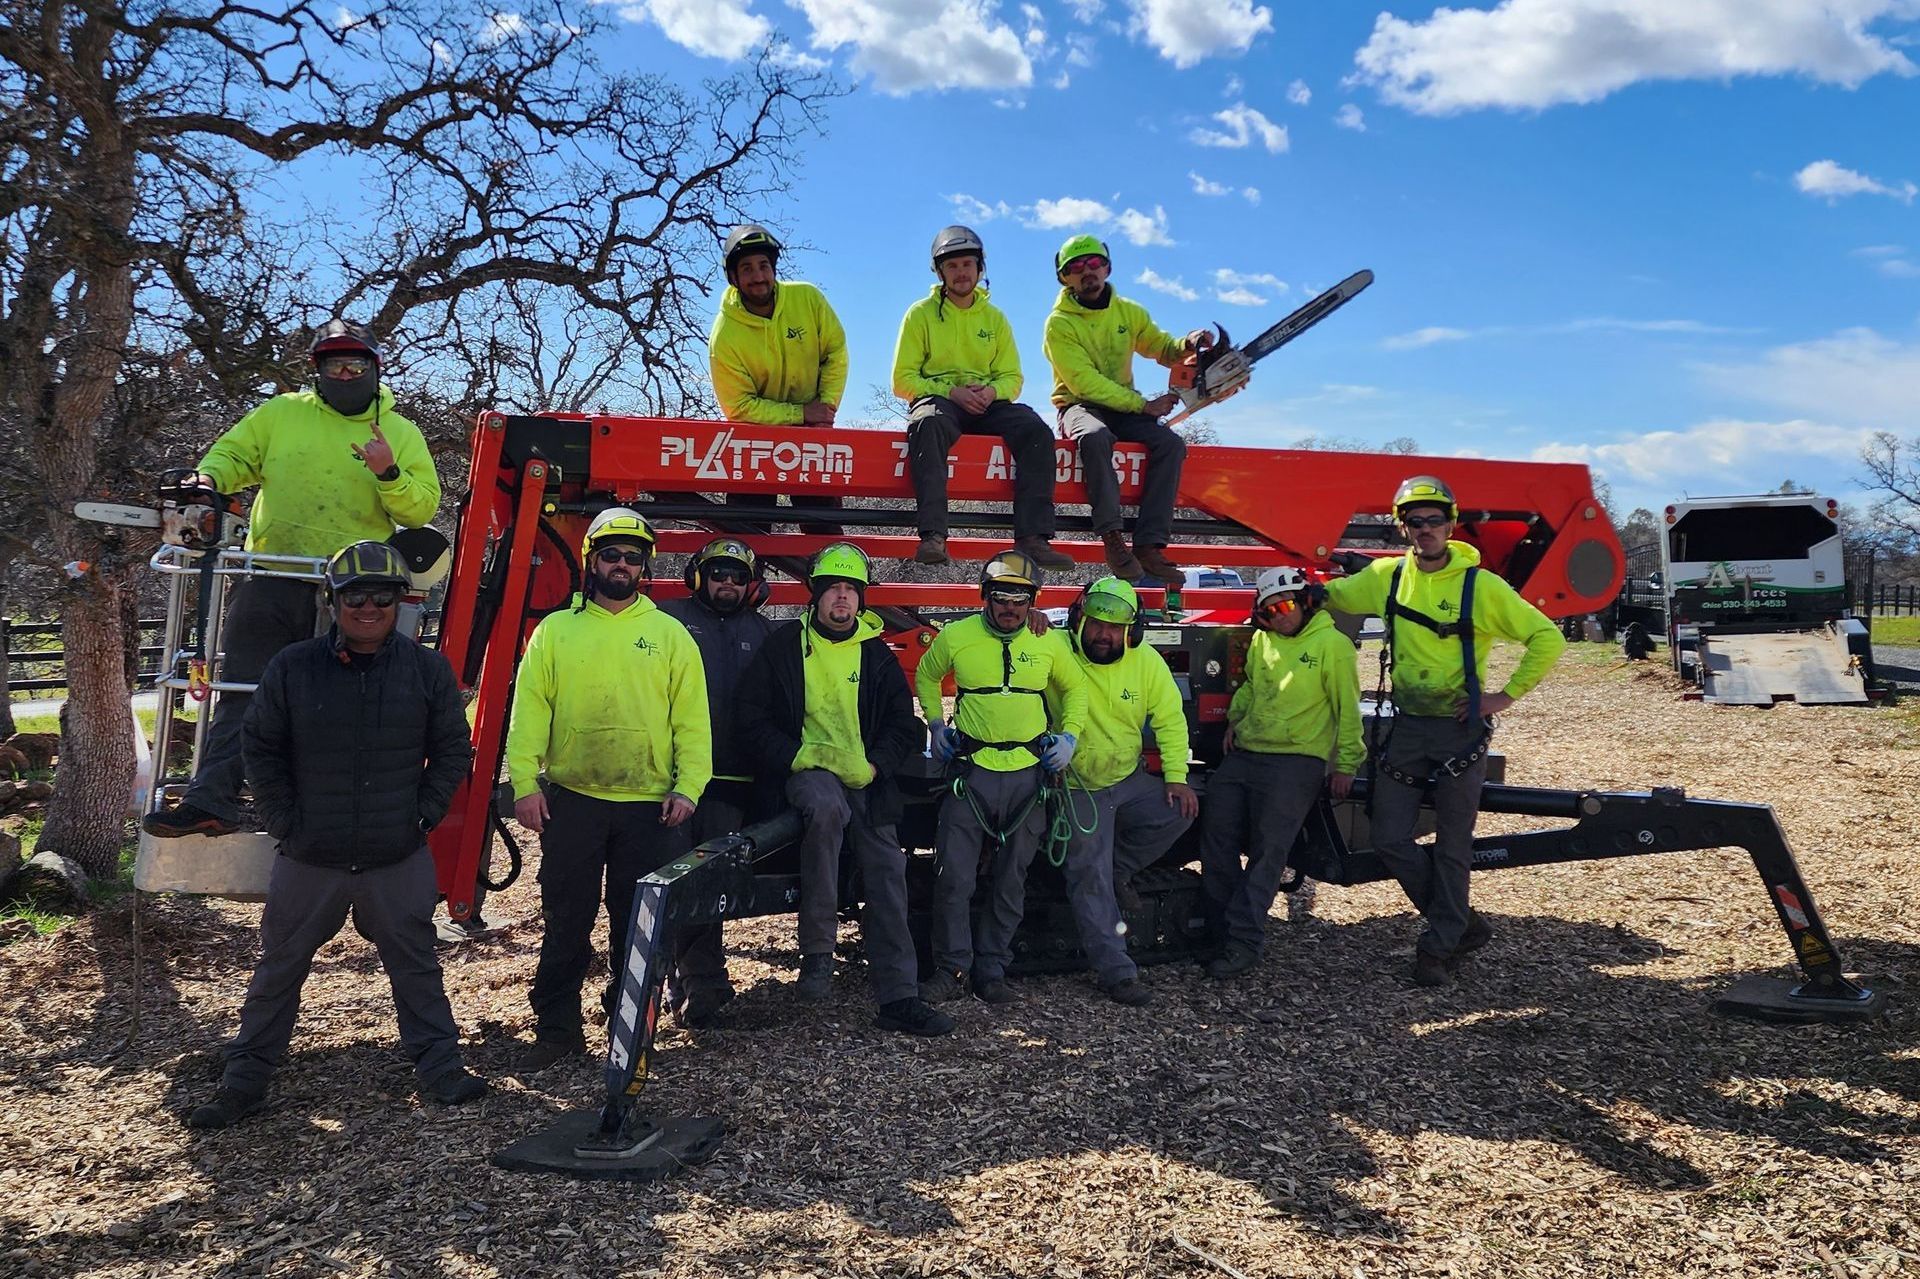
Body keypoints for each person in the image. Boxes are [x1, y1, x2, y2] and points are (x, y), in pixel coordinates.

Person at [186, 541, 482, 1128]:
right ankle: (245, 1080)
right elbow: (260, 747)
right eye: (354, 596)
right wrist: (282, 819)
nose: (368, 607)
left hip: (395, 853)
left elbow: (453, 750)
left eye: (382, 596)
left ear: (401, 603)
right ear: (332, 602)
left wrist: (421, 815)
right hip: (309, 853)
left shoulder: (427, 670)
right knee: (278, 969)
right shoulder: (293, 666)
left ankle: (440, 1067)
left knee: (417, 963)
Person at [145, 321, 441, 838]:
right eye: (334, 365)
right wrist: (208, 479)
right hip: (272, 574)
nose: (346, 373)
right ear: (318, 373)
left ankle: (332, 817)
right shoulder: (282, 413)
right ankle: (211, 800)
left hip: (351, 590)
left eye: (356, 365)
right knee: (244, 690)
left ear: (375, 369)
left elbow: (421, 510)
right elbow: (232, 455)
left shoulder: (400, 432)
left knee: (343, 701)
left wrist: (388, 472)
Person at [1323, 475, 1566, 986]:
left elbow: (1546, 638)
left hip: (1460, 732)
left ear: (1452, 524)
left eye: (1435, 520)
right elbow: (1332, 598)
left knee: (1454, 844)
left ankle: (1438, 945)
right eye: (1416, 521)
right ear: (1403, 527)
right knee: (1389, 837)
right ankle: (1461, 925)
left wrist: (1502, 696)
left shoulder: (1481, 586)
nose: (1426, 529)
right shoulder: (1386, 577)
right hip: (1408, 728)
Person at [505, 508, 712, 1069]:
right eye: (612, 555)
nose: (622, 565)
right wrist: (525, 783)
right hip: (572, 802)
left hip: (650, 809)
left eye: (633, 558)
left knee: (638, 927)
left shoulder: (670, 635)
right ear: (591, 561)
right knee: (566, 921)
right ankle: (556, 1029)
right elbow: (528, 714)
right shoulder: (554, 631)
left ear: (645, 567)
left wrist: (689, 788)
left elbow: (693, 722)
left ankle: (631, 1028)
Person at [734, 544, 954, 1036]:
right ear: (815, 595)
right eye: (833, 588)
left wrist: (876, 767)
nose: (842, 598)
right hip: (807, 771)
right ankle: (818, 955)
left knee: (888, 866)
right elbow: (751, 719)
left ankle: (899, 996)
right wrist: (796, 757)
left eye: (851, 590)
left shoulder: (875, 655)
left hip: (867, 780)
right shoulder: (784, 645)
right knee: (826, 811)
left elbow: (903, 725)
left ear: (861, 600)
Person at [915, 550, 1088, 1004]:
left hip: (1029, 777)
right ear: (985, 597)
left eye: (1020, 598)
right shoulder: (957, 636)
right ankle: (951, 969)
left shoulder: (1047, 641)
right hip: (971, 774)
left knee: (1012, 879)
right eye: (1001, 597)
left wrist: (1068, 737)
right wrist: (935, 724)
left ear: (1032, 602)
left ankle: (992, 970)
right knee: (954, 876)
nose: (1010, 607)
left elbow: (1076, 688)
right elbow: (927, 674)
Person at [1201, 566, 1363, 979]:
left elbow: (1348, 712)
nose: (1280, 616)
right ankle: (1218, 931)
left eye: (1287, 605)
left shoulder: (1333, 645)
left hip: (1296, 761)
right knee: (1215, 836)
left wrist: (1345, 764)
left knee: (1268, 853)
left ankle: (1244, 942)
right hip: (1246, 753)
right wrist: (1236, 720)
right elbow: (1252, 687)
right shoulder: (1262, 640)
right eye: (1270, 611)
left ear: (1305, 602)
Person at [1042, 234, 1223, 585]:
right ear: (1065, 278)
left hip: (1125, 406)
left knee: (1169, 445)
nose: (1087, 272)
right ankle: (1112, 536)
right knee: (1094, 437)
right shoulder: (1059, 323)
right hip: (1079, 405)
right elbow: (1083, 382)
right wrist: (1143, 405)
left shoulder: (1129, 312)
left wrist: (1188, 343)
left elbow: (1161, 347)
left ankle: (1148, 545)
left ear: (1107, 267)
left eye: (1094, 264)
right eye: (1077, 267)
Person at [1051, 577, 1197, 1005]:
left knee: (1179, 811)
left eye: (1115, 627)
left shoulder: (1147, 661)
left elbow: (1170, 719)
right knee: (1087, 875)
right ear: (1079, 620)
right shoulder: (1057, 648)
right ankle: (1116, 971)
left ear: (1132, 631)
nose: (1104, 634)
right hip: (1077, 788)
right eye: (1096, 624)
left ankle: (1118, 868)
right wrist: (1035, 620)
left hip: (1127, 781)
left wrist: (1176, 777)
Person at [894, 225, 1071, 571]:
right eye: (952, 266)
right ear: (940, 272)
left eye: (967, 264)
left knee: (1035, 430)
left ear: (980, 268)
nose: (961, 272)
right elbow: (902, 380)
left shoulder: (995, 318)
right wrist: (951, 392)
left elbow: (1013, 377)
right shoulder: (920, 314)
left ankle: (1033, 538)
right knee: (926, 423)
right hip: (941, 399)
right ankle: (933, 535)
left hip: (987, 402)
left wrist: (991, 392)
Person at [657, 537, 775, 1028]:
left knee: (709, 884)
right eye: (718, 573)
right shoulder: (663, 621)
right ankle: (650, 981)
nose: (727, 583)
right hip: (670, 780)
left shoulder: (765, 633)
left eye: (738, 577)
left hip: (731, 781)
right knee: (660, 881)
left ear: (752, 586)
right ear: (697, 575)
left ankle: (704, 984)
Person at [708, 223, 848, 532]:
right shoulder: (725, 335)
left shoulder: (808, 299)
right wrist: (800, 413)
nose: (758, 276)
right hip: (754, 446)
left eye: (763, 266)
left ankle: (833, 583)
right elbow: (739, 407)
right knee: (749, 537)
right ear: (734, 277)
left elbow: (835, 352)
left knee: (824, 537)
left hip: (813, 441)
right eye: (747, 269)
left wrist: (825, 408)